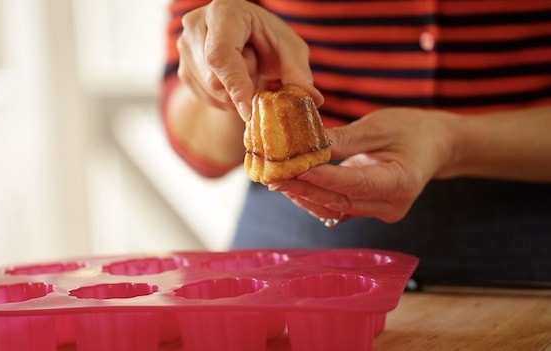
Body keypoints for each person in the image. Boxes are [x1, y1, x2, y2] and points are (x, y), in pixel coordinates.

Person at [161, 0, 551, 287]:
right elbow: (197, 145)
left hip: (529, 250)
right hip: (294, 251)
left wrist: (452, 142)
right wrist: (230, 79)